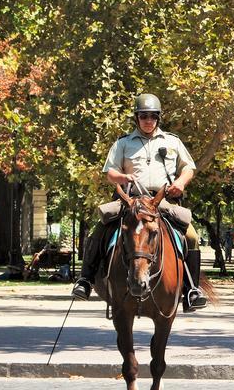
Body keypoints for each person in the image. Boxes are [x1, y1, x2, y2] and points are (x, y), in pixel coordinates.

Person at [71, 94, 207, 311]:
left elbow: (188, 168)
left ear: (158, 118)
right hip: (131, 200)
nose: (148, 120)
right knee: (98, 229)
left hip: (160, 201)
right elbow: (110, 172)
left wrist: (180, 183)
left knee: (191, 235)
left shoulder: (173, 141)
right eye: (144, 116)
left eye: (153, 116)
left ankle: (192, 289)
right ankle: (85, 281)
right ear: (137, 118)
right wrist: (123, 178)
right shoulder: (123, 143)